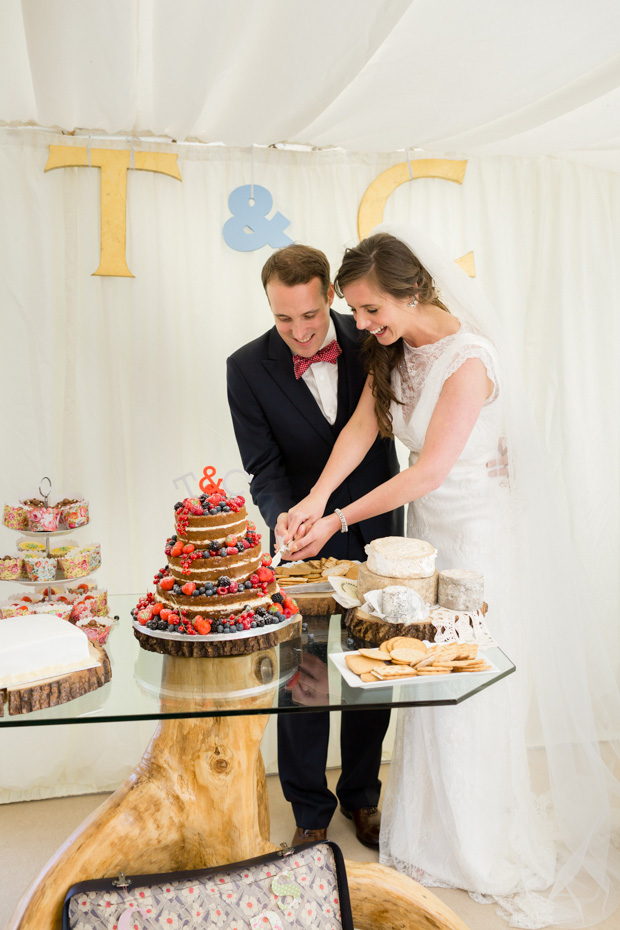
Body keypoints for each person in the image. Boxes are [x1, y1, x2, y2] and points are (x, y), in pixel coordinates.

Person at [278, 225, 620, 928]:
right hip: (429, 539)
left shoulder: (470, 361)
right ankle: (431, 838)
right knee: (431, 687)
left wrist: (337, 520)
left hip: (481, 540)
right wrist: (313, 499)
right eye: (359, 312)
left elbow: (428, 469)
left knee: (474, 692)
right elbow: (365, 430)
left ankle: (481, 846)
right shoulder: (393, 350)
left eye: (372, 310)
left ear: (414, 289)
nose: (363, 325)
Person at [226, 243, 403, 848]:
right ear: (268, 306)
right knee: (302, 678)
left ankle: (363, 795)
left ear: (329, 295)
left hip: (378, 532)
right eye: (283, 318)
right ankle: (308, 811)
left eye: (308, 315)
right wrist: (280, 518)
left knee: (371, 673)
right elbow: (263, 467)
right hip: (303, 542)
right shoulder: (245, 367)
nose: (299, 332)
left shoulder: (376, 335)